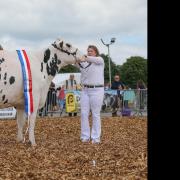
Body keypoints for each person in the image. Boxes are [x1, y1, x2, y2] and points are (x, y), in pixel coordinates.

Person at [76, 45, 104, 144]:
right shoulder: (84, 63)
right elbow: (76, 62)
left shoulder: (100, 60)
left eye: (91, 51)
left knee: (95, 114)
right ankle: (85, 136)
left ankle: (96, 138)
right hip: (85, 90)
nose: (89, 52)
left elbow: (91, 59)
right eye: (88, 51)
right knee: (84, 114)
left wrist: (84, 57)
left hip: (97, 90)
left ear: (96, 52)